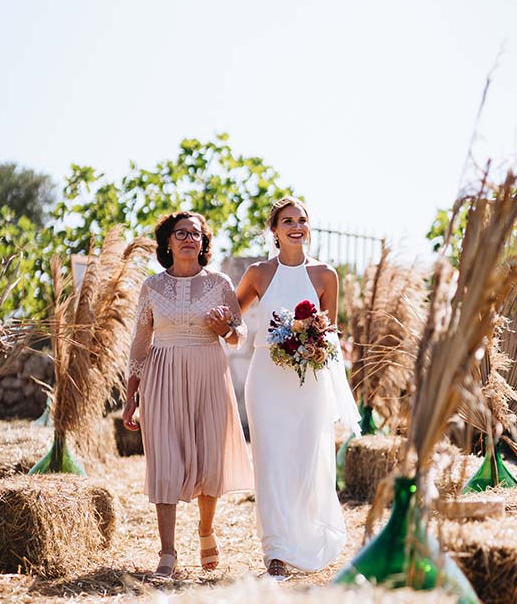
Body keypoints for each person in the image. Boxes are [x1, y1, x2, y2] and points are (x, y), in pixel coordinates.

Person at [123, 210, 253, 578]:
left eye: (195, 234)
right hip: (161, 375)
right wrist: (131, 395)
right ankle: (167, 551)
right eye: (180, 233)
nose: (187, 239)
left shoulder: (220, 282)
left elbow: (239, 335)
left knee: (209, 458)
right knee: (165, 460)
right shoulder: (151, 287)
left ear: (203, 242)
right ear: (168, 242)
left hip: (209, 374)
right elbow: (139, 342)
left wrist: (224, 327)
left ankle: (206, 529)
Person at [237, 197, 360, 580]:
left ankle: (303, 539)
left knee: (309, 458)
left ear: (309, 227)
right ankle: (274, 549)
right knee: (271, 460)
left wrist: (311, 340)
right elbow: (233, 319)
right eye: (287, 220)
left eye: (302, 220)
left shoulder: (326, 275)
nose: (296, 226)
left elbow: (330, 330)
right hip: (266, 379)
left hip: (310, 379)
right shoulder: (258, 273)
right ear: (274, 230)